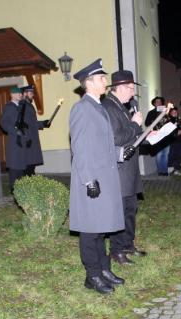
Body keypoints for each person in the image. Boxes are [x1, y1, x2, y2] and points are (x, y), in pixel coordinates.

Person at [68, 58, 126, 294]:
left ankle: (104, 269)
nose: (106, 82)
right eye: (102, 78)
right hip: (92, 179)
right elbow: (80, 148)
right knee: (91, 231)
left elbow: (101, 144)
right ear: (89, 83)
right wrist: (89, 180)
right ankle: (92, 275)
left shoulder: (98, 107)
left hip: (105, 176)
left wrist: (121, 151)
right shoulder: (82, 109)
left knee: (102, 228)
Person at [102, 70, 147, 266]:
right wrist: (136, 125)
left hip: (129, 168)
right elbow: (116, 138)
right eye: (130, 88)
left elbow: (128, 135)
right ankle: (117, 251)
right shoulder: (109, 107)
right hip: (119, 169)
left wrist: (144, 134)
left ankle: (127, 245)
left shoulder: (120, 106)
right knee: (120, 212)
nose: (132, 93)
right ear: (119, 88)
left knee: (131, 209)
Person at [0, 86, 49, 193]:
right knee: (15, 167)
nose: (20, 95)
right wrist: (14, 130)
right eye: (17, 94)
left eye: (20, 94)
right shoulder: (9, 107)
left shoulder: (22, 106)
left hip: (24, 141)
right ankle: (14, 189)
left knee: (22, 167)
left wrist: (42, 124)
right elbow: (4, 123)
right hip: (15, 141)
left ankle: (23, 190)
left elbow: (30, 123)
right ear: (12, 95)